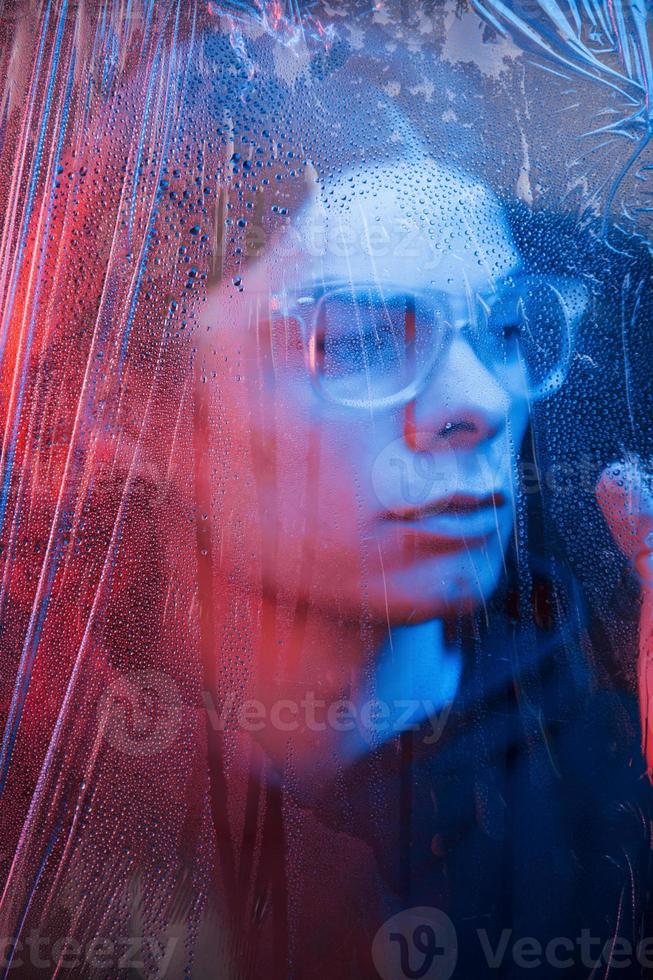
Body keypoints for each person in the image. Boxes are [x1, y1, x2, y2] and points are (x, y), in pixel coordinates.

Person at [0, 6, 651, 979]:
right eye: (355, 335)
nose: (479, 400)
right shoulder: (52, 773)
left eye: (507, 328)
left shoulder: (607, 764)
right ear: (123, 409)